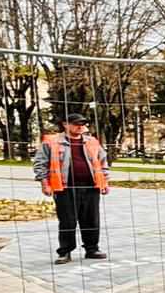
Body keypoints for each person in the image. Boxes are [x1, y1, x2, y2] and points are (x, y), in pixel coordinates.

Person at [33, 113, 110, 263]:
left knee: (91, 219)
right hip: (65, 188)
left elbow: (103, 162)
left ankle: (92, 248)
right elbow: (40, 164)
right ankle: (65, 252)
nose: (80, 126)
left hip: (90, 187)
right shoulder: (52, 142)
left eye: (82, 123)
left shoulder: (92, 141)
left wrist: (105, 182)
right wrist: (44, 183)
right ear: (65, 124)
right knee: (67, 221)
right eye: (76, 123)